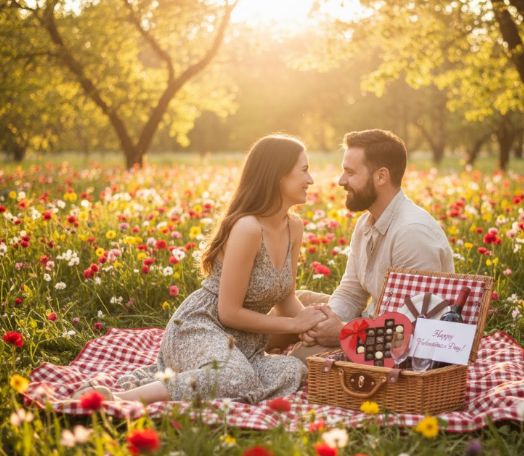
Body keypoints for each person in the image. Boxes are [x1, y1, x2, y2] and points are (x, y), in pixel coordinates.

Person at [72, 134, 326, 404]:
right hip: (200, 326)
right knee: (234, 378)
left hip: (245, 346)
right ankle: (120, 398)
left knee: (292, 370)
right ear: (278, 175)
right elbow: (228, 313)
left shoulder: (294, 226)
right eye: (304, 170)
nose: (310, 180)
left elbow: (285, 296)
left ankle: (220, 380)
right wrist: (293, 324)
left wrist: (316, 324)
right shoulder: (248, 228)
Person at [277, 129, 455, 361]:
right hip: (371, 320)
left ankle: (274, 366)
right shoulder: (365, 222)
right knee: (293, 307)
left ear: (381, 176)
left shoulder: (412, 233)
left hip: (398, 344)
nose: (341, 181)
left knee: (303, 357)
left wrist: (341, 332)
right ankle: (240, 356)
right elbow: (351, 292)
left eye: (350, 173)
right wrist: (328, 320)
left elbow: (411, 332)